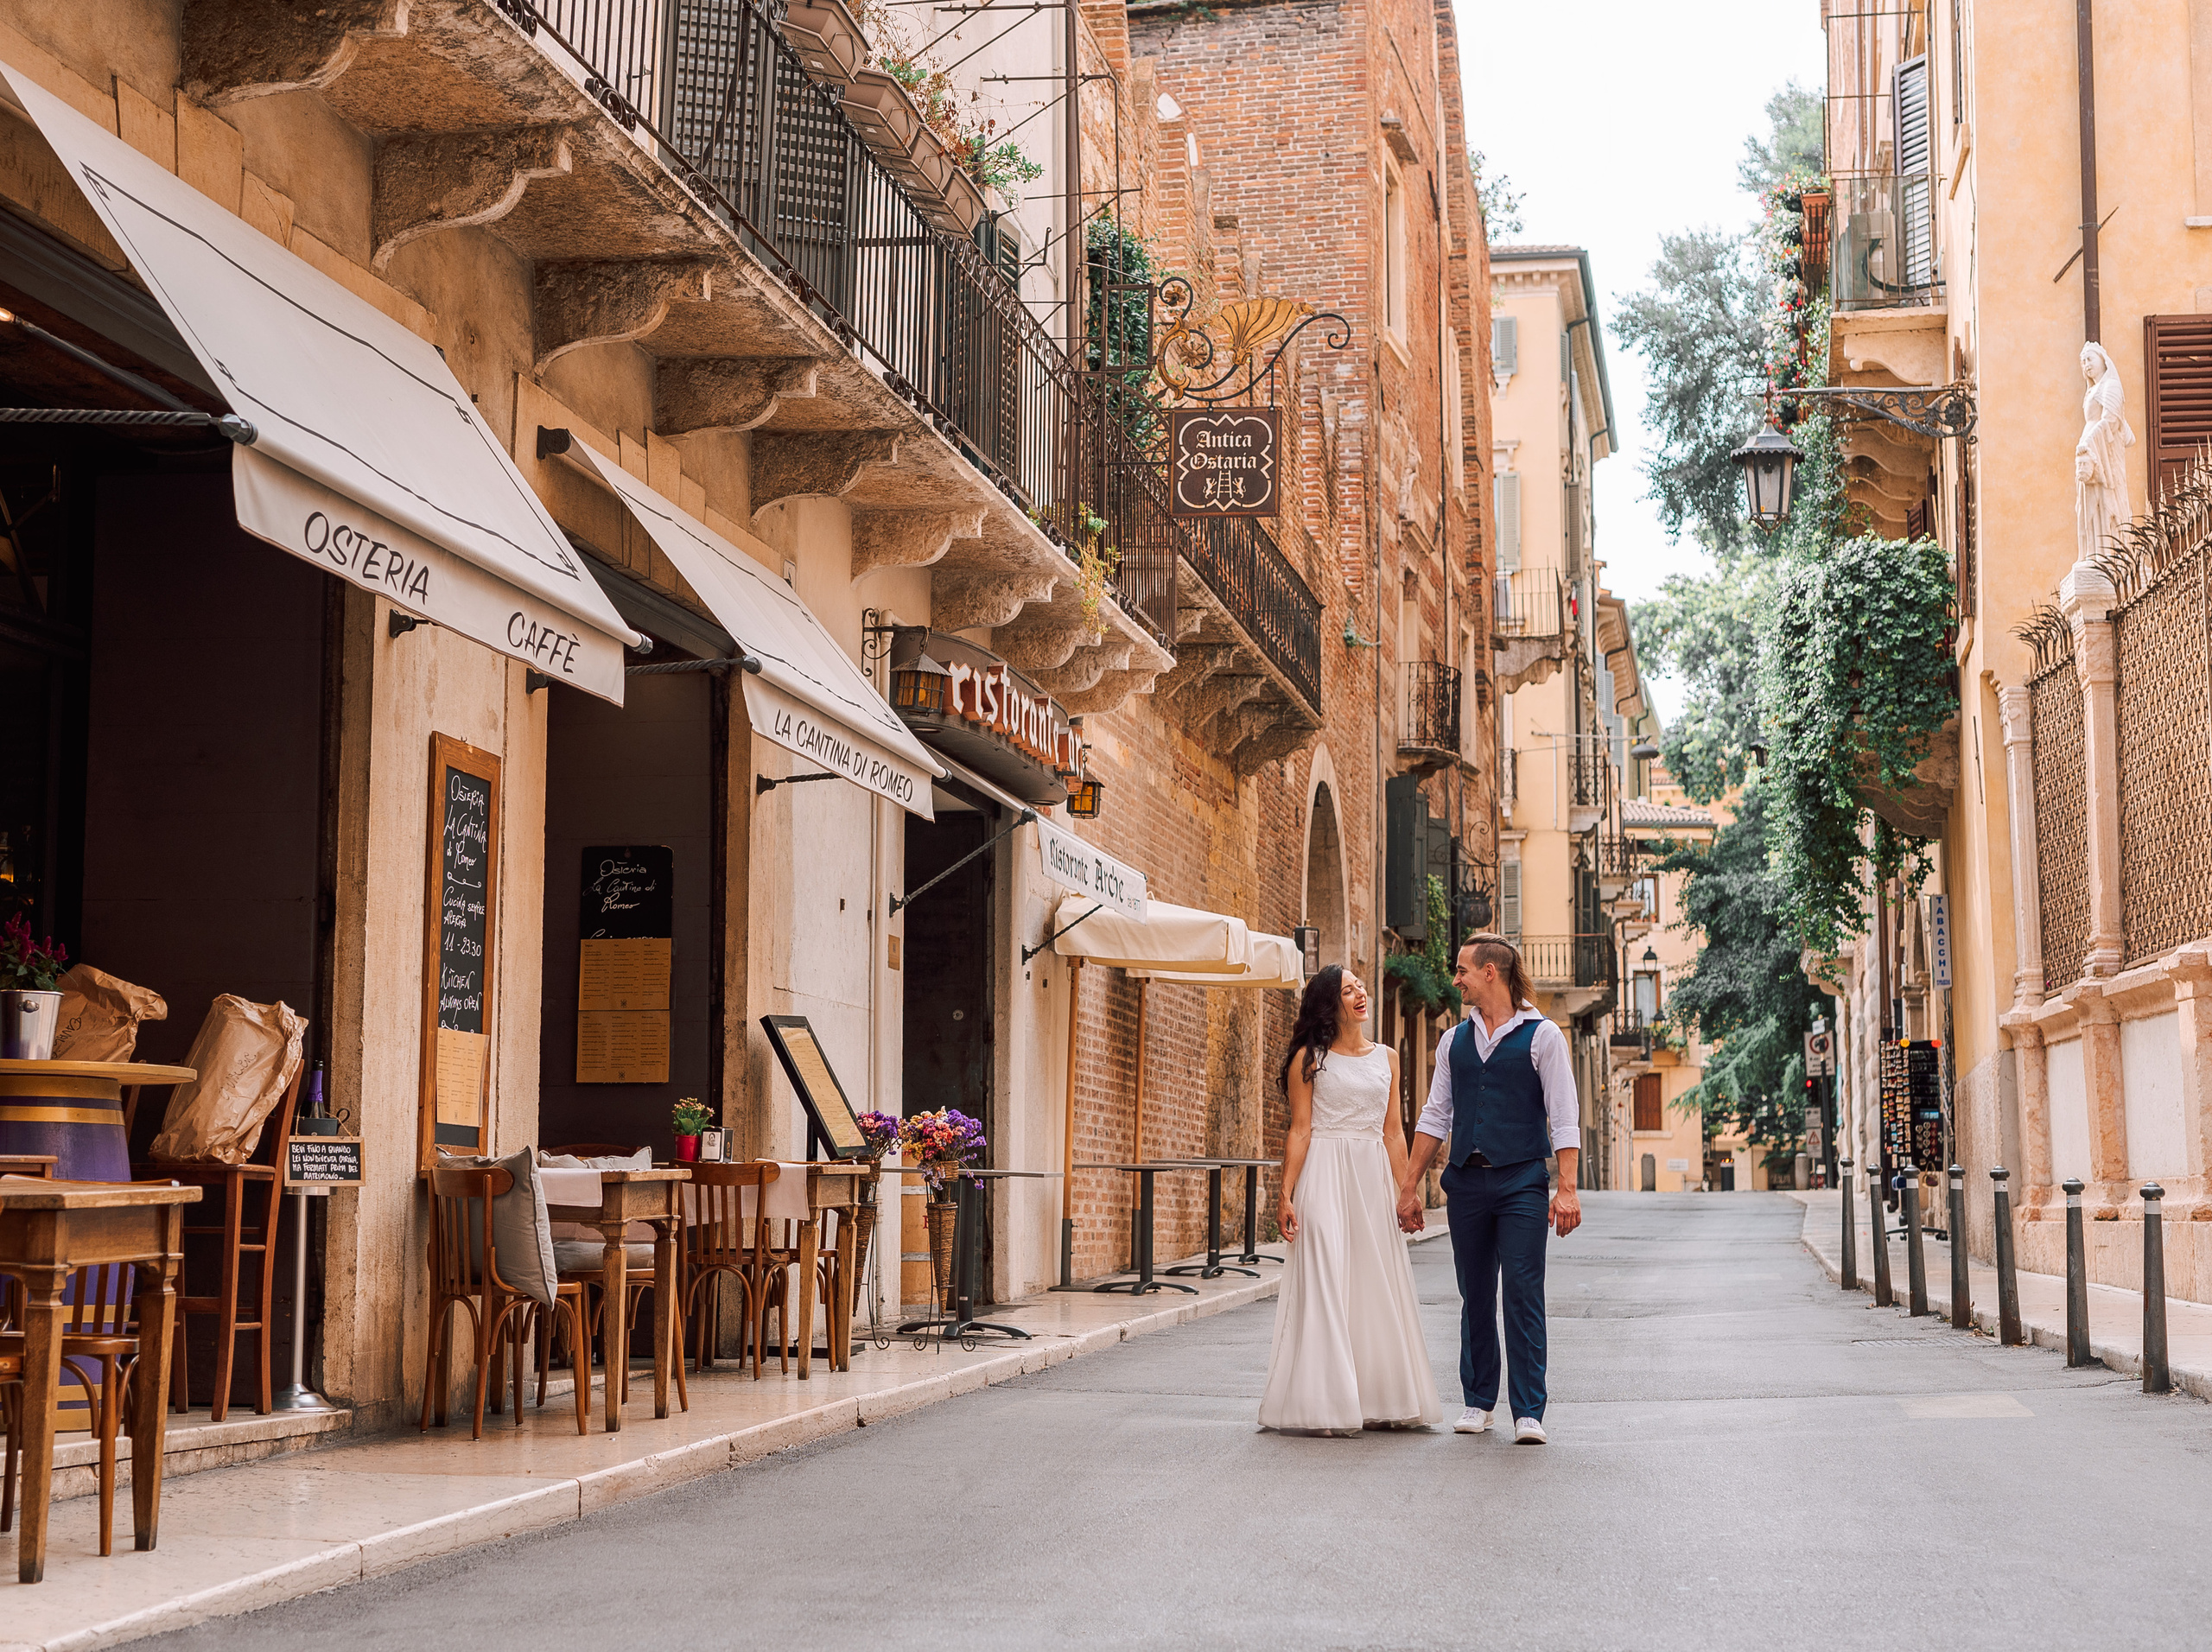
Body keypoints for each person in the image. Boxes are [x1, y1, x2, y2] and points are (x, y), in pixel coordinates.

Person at [1397, 935, 1580, 1444]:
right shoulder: (1453, 1040)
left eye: (1462, 971)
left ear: (1490, 973)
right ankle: (1479, 1401)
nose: (1455, 979)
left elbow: (1564, 1117)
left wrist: (1566, 1188)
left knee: (1522, 1292)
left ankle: (1528, 1410)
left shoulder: (1543, 1036)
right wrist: (1409, 1185)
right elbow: (1436, 1114)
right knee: (1474, 1293)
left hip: (1521, 1180)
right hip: (1468, 1182)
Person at [1256, 964, 1441, 1434]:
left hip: (1371, 1176)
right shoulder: (1309, 1058)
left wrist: (1408, 1192)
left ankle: (1379, 1396)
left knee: (1371, 1281)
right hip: (1322, 1174)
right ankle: (1324, 1403)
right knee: (1324, 1279)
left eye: (1360, 986)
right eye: (1348, 990)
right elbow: (1300, 1130)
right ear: (1329, 1004)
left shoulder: (1389, 1058)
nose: (1360, 993)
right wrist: (1285, 1194)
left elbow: (1394, 1132)